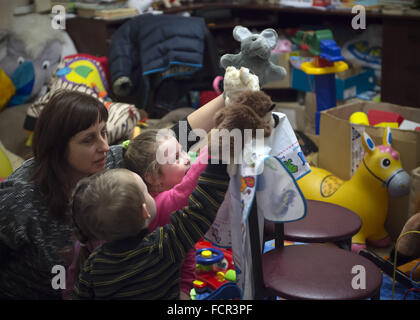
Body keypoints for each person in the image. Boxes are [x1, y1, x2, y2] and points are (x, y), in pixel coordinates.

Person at [0, 88, 225, 299]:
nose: (105, 146)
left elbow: (176, 138)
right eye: (89, 139)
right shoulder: (18, 198)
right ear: (57, 148)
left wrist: (231, 94)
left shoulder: (111, 162)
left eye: (103, 133)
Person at [71, 163, 229, 299]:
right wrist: (219, 164)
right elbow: (199, 212)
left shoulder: (93, 265)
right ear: (144, 212)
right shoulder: (163, 246)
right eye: (145, 191)